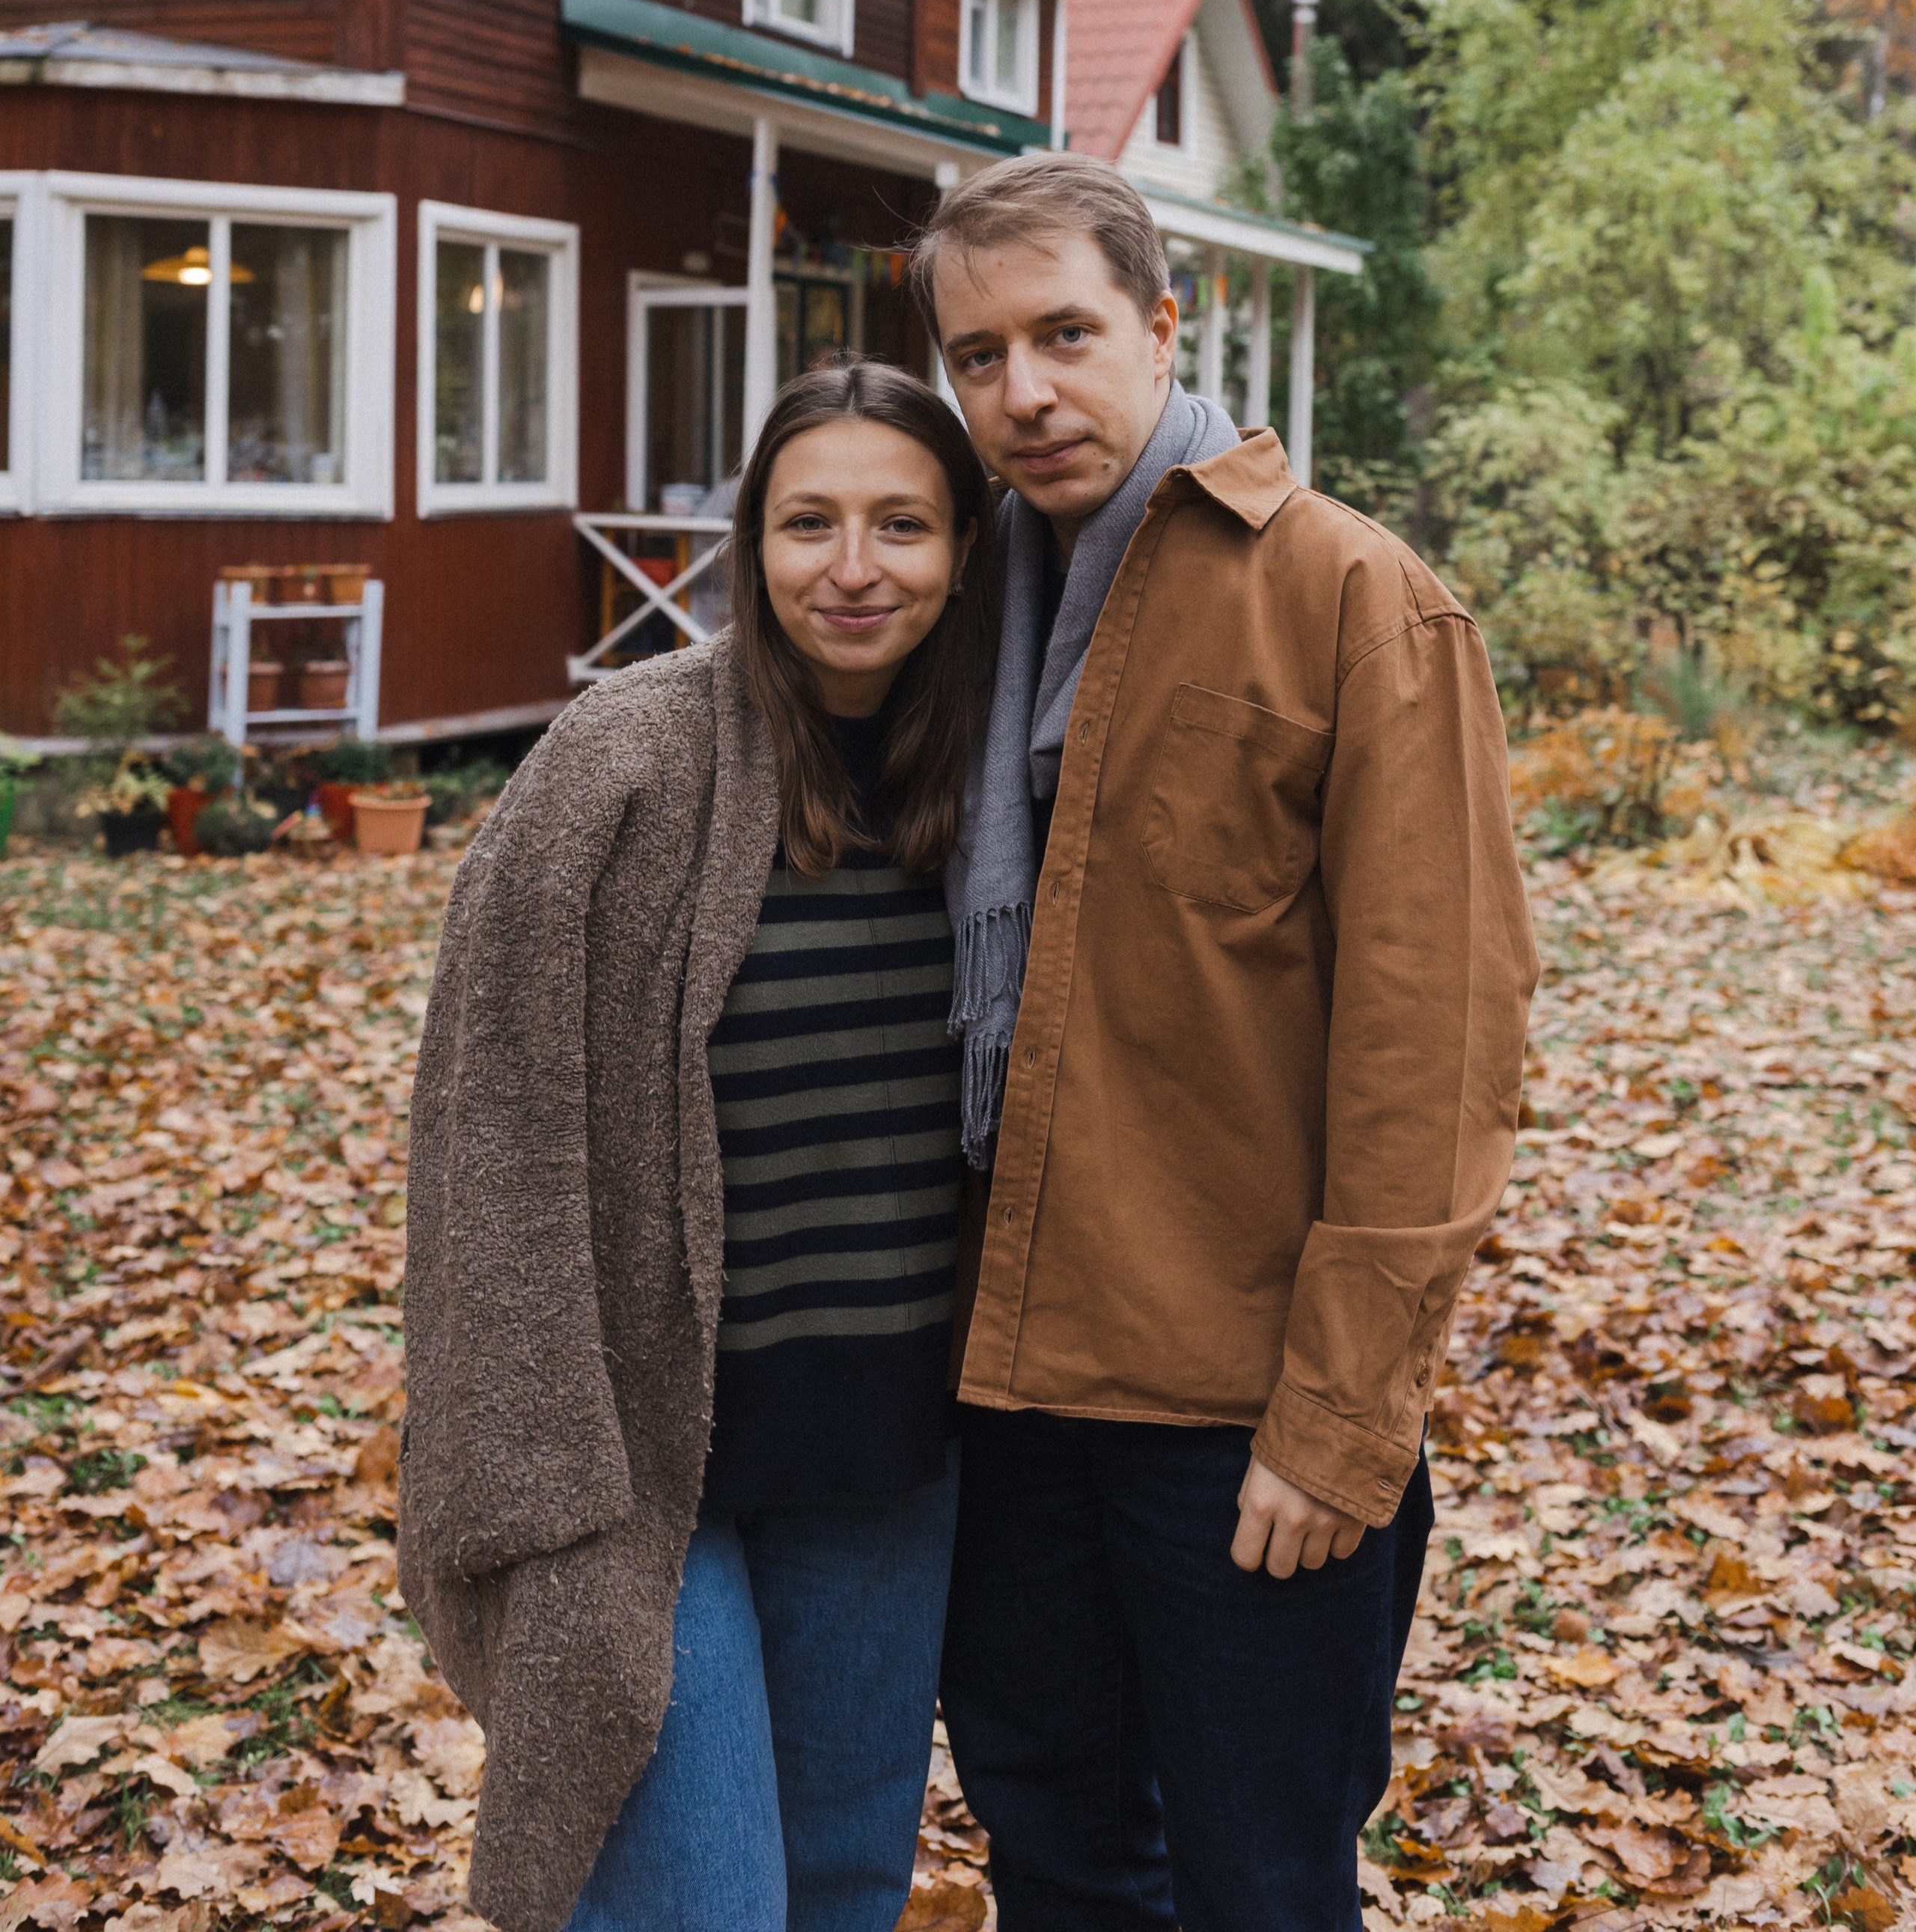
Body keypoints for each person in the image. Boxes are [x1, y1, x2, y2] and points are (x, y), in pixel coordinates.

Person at [915, 154, 1539, 1932]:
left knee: (1261, 1887)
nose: (1021, 393)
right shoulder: (956, 604)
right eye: (976, 357)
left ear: (1159, 325)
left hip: (1235, 1417)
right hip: (991, 1395)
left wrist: (1339, 1419)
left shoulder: (1349, 598)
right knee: (1061, 1868)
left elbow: (1435, 1052)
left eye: (1062, 334)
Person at [398, 362, 998, 1932]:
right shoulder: (621, 766)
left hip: (883, 1457)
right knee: (701, 1906)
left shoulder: (997, 788)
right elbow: (489, 1147)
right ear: (750, 539)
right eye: (808, 522)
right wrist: (533, 1476)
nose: (851, 568)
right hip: (647, 1473)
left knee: (847, 1892)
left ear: (965, 547)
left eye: (900, 525)